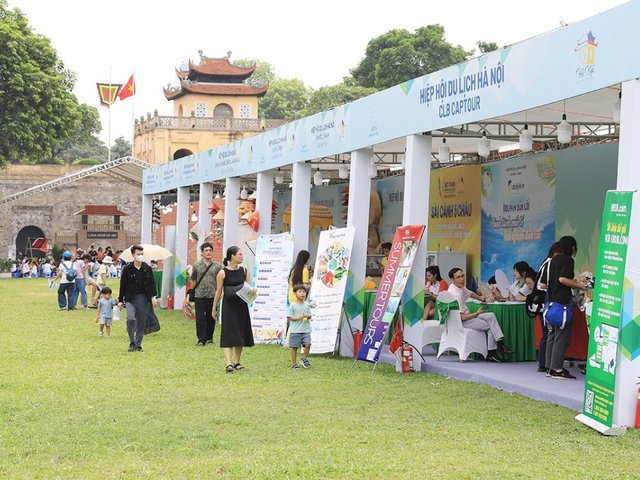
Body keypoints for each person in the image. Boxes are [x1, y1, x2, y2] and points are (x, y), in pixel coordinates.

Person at [447, 267, 513, 362]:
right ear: (452, 279)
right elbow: (463, 317)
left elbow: (470, 293)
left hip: (464, 317)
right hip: (461, 322)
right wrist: (476, 313)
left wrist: (482, 299)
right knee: (491, 327)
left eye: (462, 276)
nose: (462, 279)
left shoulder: (456, 287)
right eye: (458, 277)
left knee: (491, 316)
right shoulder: (456, 294)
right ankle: (491, 354)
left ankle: (500, 343)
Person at [545, 236, 587, 380]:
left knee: (553, 335)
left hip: (551, 303)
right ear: (572, 247)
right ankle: (557, 369)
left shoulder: (553, 260)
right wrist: (580, 286)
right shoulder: (568, 260)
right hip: (561, 303)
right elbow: (562, 279)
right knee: (562, 337)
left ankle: (550, 367)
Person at [213, 246, 255, 373]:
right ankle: (228, 363)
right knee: (228, 333)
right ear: (232, 256)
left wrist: (253, 292)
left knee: (240, 333)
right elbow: (218, 292)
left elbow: (248, 289)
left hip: (242, 306)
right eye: (239, 254)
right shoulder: (222, 273)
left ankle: (237, 362)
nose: (241, 256)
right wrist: (214, 308)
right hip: (228, 306)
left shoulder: (244, 271)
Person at [117, 245, 158, 352]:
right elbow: (123, 285)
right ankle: (132, 342)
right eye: (138, 254)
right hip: (130, 298)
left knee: (141, 322)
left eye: (142, 254)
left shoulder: (147, 268)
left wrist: (154, 296)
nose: (140, 256)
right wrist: (120, 300)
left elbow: (152, 283)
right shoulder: (127, 269)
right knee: (130, 318)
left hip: (143, 298)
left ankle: (138, 344)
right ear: (133, 255)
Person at [189, 242, 222, 346]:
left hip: (213, 295)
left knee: (211, 317)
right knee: (199, 318)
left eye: (210, 250)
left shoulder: (218, 266)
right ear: (202, 253)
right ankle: (201, 339)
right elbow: (193, 279)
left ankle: (209, 338)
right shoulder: (196, 266)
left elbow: (222, 280)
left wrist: (221, 292)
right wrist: (191, 292)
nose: (208, 252)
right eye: (206, 250)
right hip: (199, 295)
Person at [534, 242, 559, 373]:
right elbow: (542, 285)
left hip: (544, 302)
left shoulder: (546, 263)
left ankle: (545, 362)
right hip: (545, 302)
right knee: (547, 334)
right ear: (555, 252)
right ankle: (544, 363)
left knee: (547, 334)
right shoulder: (549, 264)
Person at [287, 284, 313, 369]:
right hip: (295, 330)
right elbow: (289, 317)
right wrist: (299, 317)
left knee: (307, 344)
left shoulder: (307, 305)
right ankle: (294, 364)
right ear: (295, 293)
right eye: (300, 292)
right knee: (294, 347)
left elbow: (310, 316)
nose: (302, 293)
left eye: (304, 292)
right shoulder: (292, 305)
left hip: (306, 330)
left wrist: (307, 316)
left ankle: (304, 359)